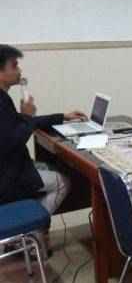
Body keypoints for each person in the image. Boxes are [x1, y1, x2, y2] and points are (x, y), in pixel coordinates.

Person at [0, 44, 86, 213]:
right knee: (62, 182)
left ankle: (29, 220)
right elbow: (13, 142)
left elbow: (17, 124)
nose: (20, 70)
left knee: (54, 168)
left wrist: (63, 116)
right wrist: (27, 116)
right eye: (15, 66)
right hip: (8, 179)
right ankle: (33, 224)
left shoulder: (3, 98)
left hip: (11, 168)